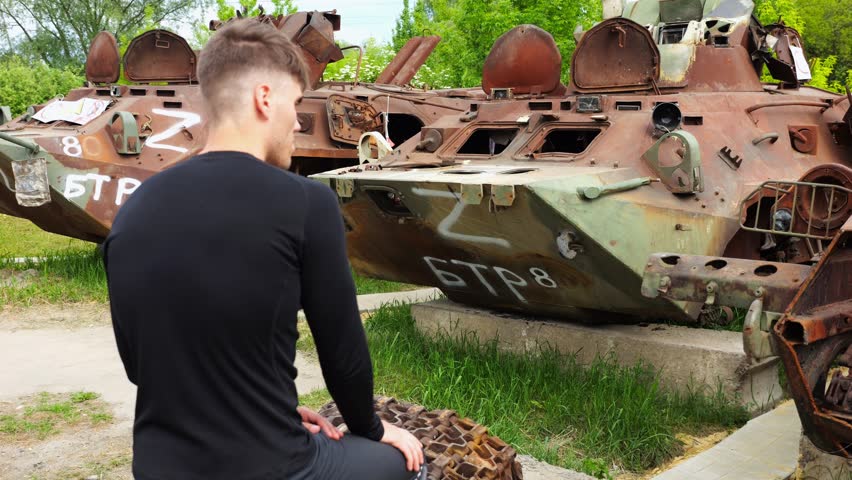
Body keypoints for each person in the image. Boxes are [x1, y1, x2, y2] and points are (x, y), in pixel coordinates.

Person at [103, 18, 425, 480]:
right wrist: (372, 429)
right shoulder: (307, 203)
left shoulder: (135, 209)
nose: (297, 121)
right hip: (271, 468)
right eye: (295, 103)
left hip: (159, 467)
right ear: (265, 98)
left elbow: (141, 367)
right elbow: (344, 355)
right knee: (406, 460)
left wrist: (278, 409)